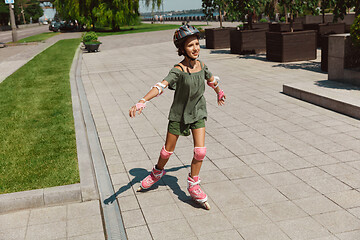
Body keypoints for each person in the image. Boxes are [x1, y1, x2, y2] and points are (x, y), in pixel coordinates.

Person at [128, 25, 226, 210]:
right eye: (190, 45)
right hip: (179, 115)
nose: (195, 48)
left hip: (197, 112)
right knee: (167, 151)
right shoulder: (178, 70)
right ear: (182, 49)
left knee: (200, 152)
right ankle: (157, 172)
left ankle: (193, 185)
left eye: (197, 44)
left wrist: (219, 92)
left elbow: (211, 80)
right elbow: (161, 86)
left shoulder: (202, 66)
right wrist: (142, 101)